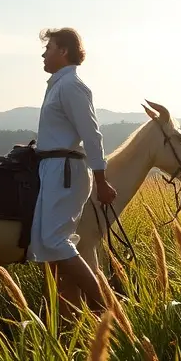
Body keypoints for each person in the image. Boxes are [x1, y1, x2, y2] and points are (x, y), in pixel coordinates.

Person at [30, 27, 117, 314]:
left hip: (65, 170)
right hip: (53, 167)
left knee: (54, 241)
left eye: (49, 47)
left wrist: (102, 181)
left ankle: (108, 310)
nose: (44, 53)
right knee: (49, 244)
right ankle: (67, 319)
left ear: (63, 51)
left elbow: (92, 136)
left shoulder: (72, 87)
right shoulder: (57, 85)